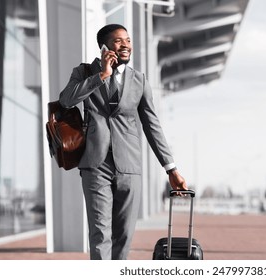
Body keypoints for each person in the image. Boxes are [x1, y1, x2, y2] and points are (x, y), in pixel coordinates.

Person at [59, 24, 188, 260]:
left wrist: (171, 168)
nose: (126, 44)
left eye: (128, 40)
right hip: (95, 164)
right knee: (100, 233)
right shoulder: (84, 72)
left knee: (124, 235)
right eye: (119, 41)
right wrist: (102, 76)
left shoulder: (139, 80)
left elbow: (152, 126)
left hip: (129, 166)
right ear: (104, 46)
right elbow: (66, 100)